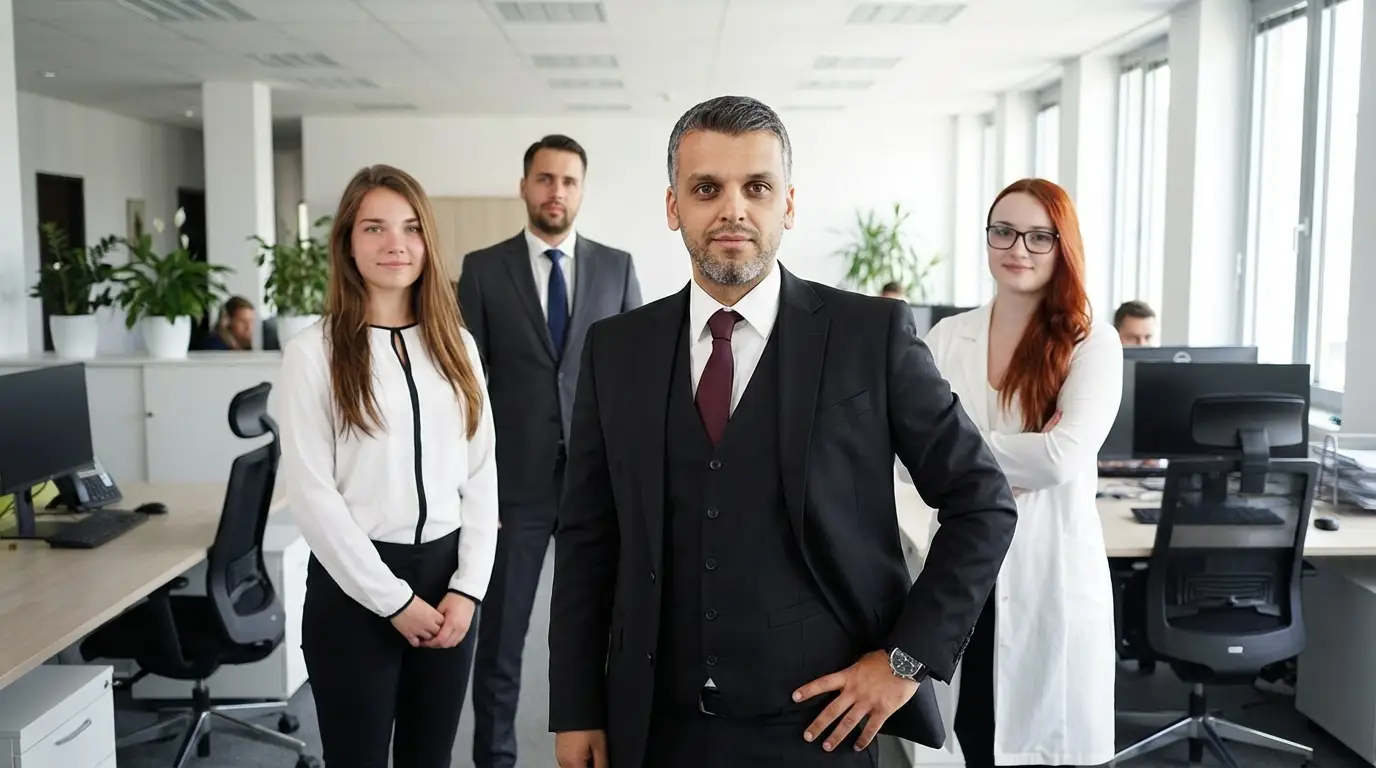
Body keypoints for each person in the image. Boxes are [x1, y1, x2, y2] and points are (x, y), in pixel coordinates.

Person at [548, 95, 1017, 768]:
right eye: (706, 188)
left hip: (818, 729)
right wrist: (576, 708)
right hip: (655, 727)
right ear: (673, 206)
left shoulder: (870, 338)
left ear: (788, 205)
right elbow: (590, 538)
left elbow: (982, 501)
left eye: (757, 187)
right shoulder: (616, 349)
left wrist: (905, 661)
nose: (732, 209)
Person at [276, 164, 499, 768]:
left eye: (409, 227)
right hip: (356, 591)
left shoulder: (456, 343)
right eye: (374, 227)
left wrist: (468, 588)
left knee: (430, 758)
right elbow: (314, 499)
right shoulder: (311, 355)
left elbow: (481, 472)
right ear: (348, 241)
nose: (394, 244)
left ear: (427, 240)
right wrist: (393, 601)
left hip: (449, 587)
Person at [923, 178, 1122, 768]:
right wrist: (1019, 451)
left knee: (1043, 743)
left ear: (1064, 246)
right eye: (1003, 231)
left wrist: (955, 448)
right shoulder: (945, 338)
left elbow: (1061, 459)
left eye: (1041, 236)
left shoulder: (1092, 344)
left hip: (1047, 576)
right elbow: (910, 462)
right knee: (974, 738)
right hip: (964, 575)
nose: (1019, 248)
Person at [457, 133, 642, 768]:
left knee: (613, 630)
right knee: (503, 639)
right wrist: (473, 489)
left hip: (601, 482)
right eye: (544, 179)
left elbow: (640, 382)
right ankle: (495, 758)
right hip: (516, 489)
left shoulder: (617, 267)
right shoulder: (483, 270)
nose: (555, 191)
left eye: (567, 180)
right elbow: (466, 388)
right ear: (525, 186)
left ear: (582, 190)